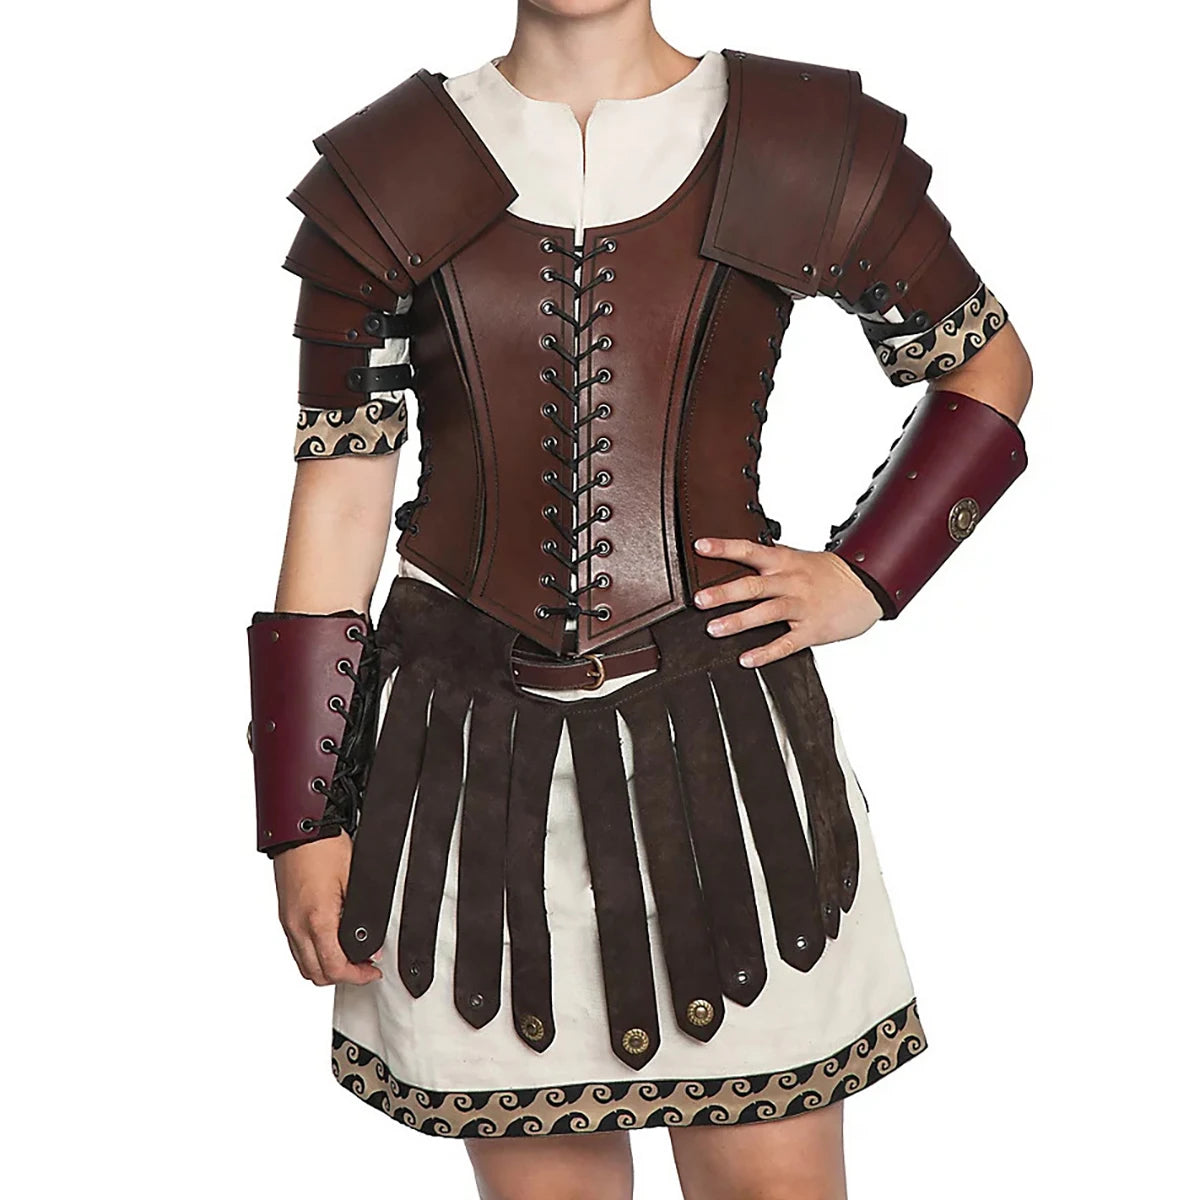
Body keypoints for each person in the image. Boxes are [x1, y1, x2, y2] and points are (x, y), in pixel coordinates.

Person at [245, 2, 1033, 1197]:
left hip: (727, 755)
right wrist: (303, 818)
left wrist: (866, 576)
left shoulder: (801, 140)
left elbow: (986, 366)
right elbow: (343, 495)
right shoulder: (387, 173)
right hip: (468, 766)